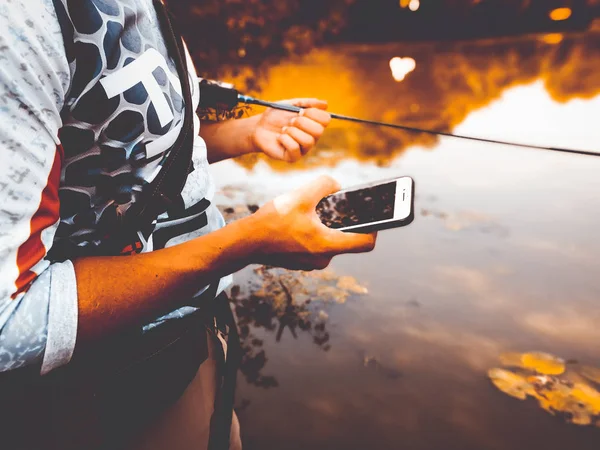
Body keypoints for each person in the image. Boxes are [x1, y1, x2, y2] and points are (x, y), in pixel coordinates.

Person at [0, 1, 377, 449]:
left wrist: (250, 132)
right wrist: (247, 242)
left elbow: (133, 152)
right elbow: (10, 324)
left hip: (194, 347)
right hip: (109, 399)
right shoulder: (22, 21)